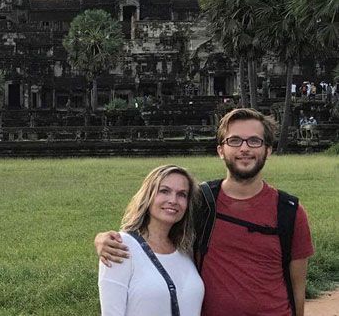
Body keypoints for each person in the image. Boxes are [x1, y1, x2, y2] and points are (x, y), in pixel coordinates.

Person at [95, 108, 314, 316]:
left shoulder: (289, 212)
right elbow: (157, 226)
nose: (244, 148)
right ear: (221, 150)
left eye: (254, 141)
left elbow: (297, 291)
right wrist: (104, 239)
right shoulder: (201, 201)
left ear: (268, 149)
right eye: (234, 141)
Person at [98, 165, 204, 316]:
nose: (173, 200)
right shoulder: (120, 247)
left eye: (182, 194)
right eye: (164, 191)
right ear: (148, 195)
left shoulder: (186, 250)